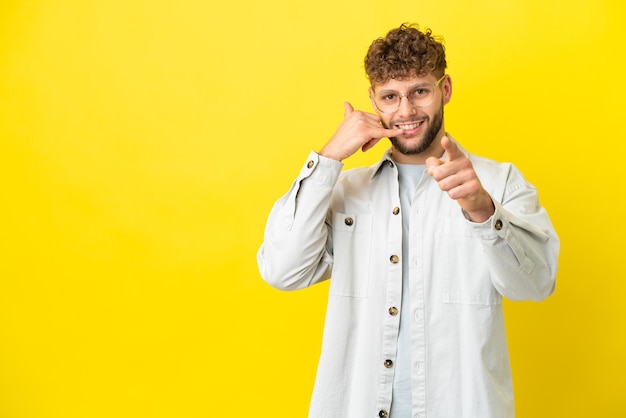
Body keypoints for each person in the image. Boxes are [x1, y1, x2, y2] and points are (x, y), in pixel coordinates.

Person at [257, 23, 559, 418]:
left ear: (444, 89)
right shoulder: (348, 191)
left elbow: (535, 285)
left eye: (419, 91)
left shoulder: (499, 183)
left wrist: (483, 211)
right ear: (373, 100)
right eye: (390, 96)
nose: (405, 111)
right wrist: (330, 156)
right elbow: (282, 271)